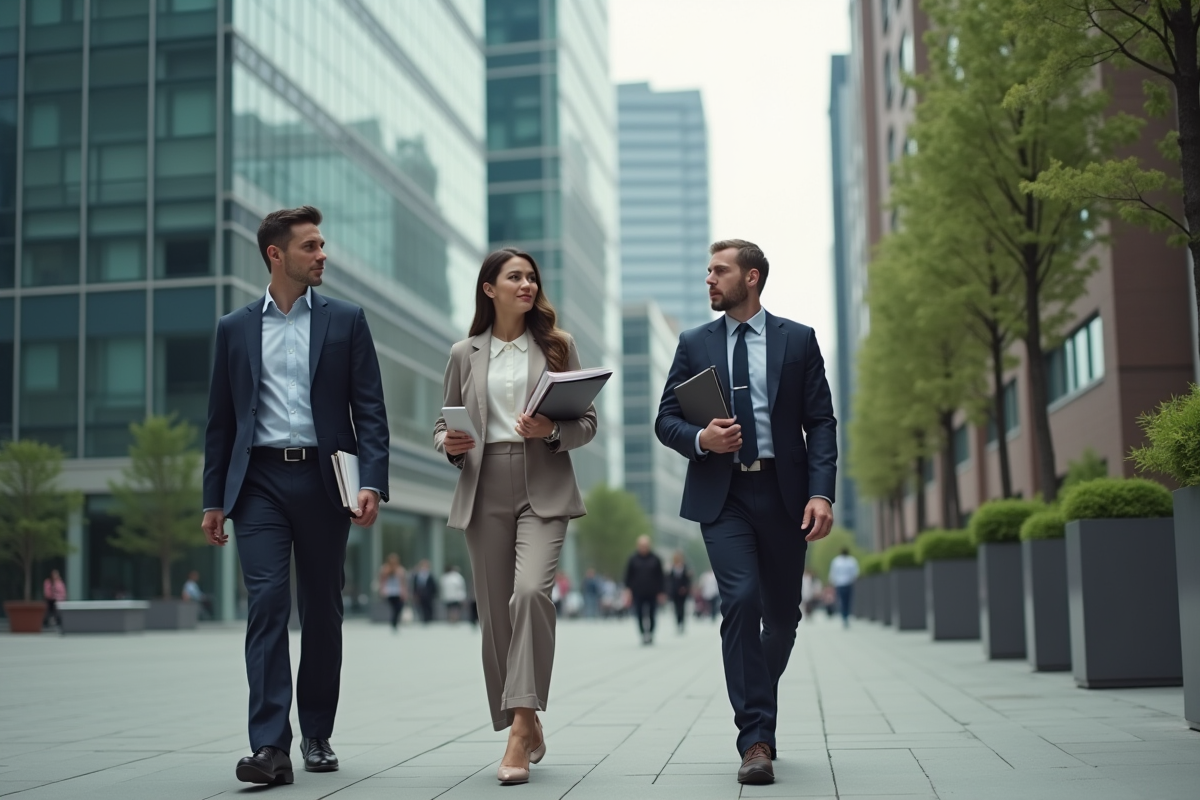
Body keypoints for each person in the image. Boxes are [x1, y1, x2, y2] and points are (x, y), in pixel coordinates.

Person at [201, 206, 389, 786]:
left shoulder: (347, 320)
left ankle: (317, 731)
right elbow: (220, 421)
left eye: (322, 244)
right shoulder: (234, 328)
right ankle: (269, 746)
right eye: (310, 246)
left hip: (324, 479)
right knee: (267, 605)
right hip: (256, 482)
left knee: (323, 611)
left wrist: (371, 482)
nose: (322, 254)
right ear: (275, 255)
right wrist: (214, 498)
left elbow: (371, 412)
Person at [655, 239, 836, 785]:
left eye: (720, 271)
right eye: (707, 270)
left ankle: (756, 691)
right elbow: (666, 420)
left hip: (784, 496)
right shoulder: (693, 343)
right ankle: (755, 738)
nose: (709, 280)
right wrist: (702, 438)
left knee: (782, 619)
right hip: (724, 496)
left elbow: (821, 422)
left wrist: (821, 493)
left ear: (751, 277)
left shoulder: (798, 341)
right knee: (740, 600)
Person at [434, 247, 597, 786]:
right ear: (490, 288)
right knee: (495, 618)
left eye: (531, 277)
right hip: (483, 486)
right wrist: (451, 443)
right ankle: (523, 719)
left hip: (543, 484)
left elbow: (585, 423)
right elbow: (443, 426)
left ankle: (520, 728)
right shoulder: (464, 352)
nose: (527, 284)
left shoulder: (557, 346)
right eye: (515, 277)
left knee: (530, 594)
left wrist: (549, 430)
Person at [623, 535, 665, 645]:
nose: (643, 548)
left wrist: (661, 592)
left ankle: (650, 633)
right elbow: (628, 577)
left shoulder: (656, 559)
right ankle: (642, 633)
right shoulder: (633, 559)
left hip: (652, 592)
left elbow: (661, 577)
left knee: (652, 614)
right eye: (641, 546)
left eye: (645, 546)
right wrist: (628, 591)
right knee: (639, 614)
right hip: (638, 592)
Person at [829, 548, 860, 628]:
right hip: (848, 584)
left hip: (839, 584)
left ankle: (844, 616)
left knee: (841, 601)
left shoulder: (836, 561)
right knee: (848, 601)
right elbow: (855, 573)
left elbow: (833, 573)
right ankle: (846, 616)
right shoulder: (852, 561)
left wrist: (833, 582)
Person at [665, 551, 693, 634]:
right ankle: (678, 622)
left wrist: (685, 588)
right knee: (676, 608)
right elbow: (668, 579)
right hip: (674, 591)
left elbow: (688, 580)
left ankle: (682, 623)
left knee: (682, 608)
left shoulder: (685, 567)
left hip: (683, 591)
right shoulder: (671, 567)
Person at [378, 554, 407, 632]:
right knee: (394, 608)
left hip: (398, 592)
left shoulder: (400, 570)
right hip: (390, 592)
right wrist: (382, 590)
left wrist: (404, 592)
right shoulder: (385, 569)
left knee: (398, 608)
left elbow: (403, 582)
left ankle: (394, 622)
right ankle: (394, 623)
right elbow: (382, 581)